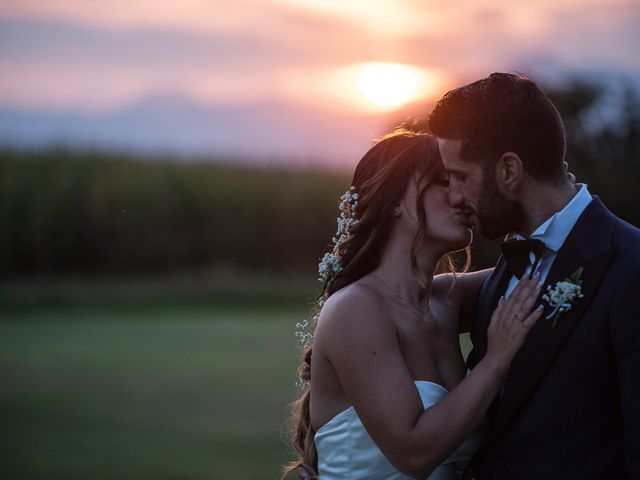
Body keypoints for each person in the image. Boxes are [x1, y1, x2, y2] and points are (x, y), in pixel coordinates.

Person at [282, 129, 544, 479]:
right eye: (442, 182)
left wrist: (540, 192)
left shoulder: (447, 301)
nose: (461, 197)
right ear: (393, 200)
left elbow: (544, 264)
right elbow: (414, 454)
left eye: (461, 181)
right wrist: (495, 362)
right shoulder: (355, 308)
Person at [428, 72, 640, 480]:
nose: (455, 196)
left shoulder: (630, 268)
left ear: (509, 171)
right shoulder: (507, 267)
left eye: (461, 177)